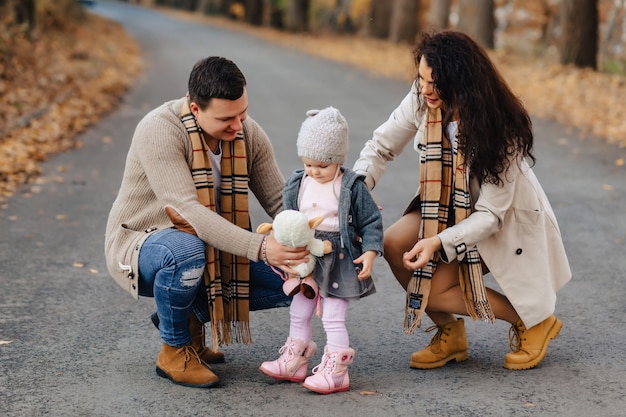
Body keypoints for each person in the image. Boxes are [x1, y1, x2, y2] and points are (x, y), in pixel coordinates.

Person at [353, 31, 571, 371]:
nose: (424, 89)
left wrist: (437, 242)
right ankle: (450, 334)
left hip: (498, 223)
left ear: (461, 82)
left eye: (434, 82)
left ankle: (534, 321)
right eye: (421, 78)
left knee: (437, 289)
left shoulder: (499, 130)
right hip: (444, 207)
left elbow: (490, 216)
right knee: (394, 243)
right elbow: (380, 147)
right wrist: (357, 193)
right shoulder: (422, 98)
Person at [104, 56, 310, 388]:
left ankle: (187, 313)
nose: (238, 126)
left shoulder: (248, 133)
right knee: (185, 251)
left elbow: (281, 203)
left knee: (301, 277)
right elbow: (187, 212)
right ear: (195, 108)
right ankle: (175, 348)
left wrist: (328, 228)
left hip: (209, 246)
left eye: (242, 113)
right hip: (145, 245)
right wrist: (259, 247)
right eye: (226, 119)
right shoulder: (159, 129)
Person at [259, 107, 383, 394]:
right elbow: (290, 217)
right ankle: (295, 360)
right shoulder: (298, 181)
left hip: (339, 257)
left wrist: (371, 251)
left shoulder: (351, 186)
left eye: (322, 166)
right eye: (309, 164)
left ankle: (337, 371)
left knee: (332, 316)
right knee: (299, 310)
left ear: (338, 159)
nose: (314, 171)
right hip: (309, 257)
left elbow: (371, 221)